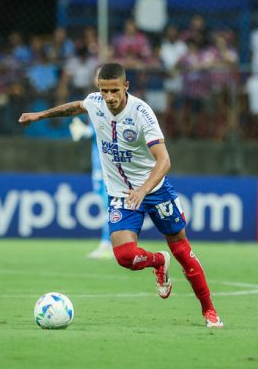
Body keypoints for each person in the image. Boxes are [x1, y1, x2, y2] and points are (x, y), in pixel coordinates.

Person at [19, 62, 223, 328]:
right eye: (104, 91)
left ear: (126, 86)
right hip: (121, 195)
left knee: (182, 250)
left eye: (114, 90)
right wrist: (40, 115)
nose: (109, 97)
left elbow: (164, 161)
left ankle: (209, 311)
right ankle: (158, 261)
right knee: (125, 256)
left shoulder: (142, 113)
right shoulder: (96, 103)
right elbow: (76, 106)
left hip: (155, 190)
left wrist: (143, 190)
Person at [69, 115, 112, 260]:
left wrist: (86, 131)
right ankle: (108, 244)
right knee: (105, 207)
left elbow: (105, 130)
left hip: (108, 169)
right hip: (98, 168)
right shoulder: (94, 112)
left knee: (109, 208)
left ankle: (107, 244)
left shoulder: (106, 113)